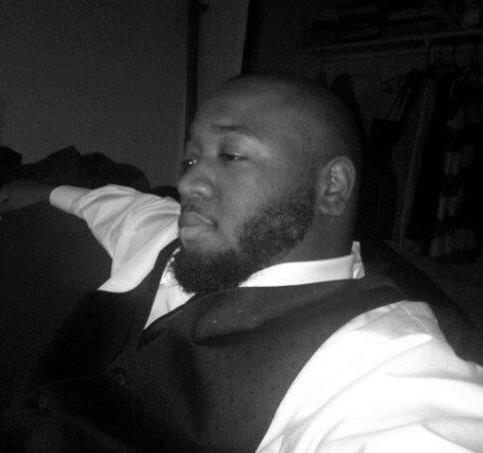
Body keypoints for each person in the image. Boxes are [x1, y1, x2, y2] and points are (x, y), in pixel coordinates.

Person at [1, 74, 483, 452]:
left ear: (332, 187)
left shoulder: (381, 360)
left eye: (230, 155)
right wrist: (45, 191)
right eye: (191, 161)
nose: (188, 184)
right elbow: (120, 205)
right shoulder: (170, 235)